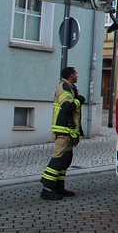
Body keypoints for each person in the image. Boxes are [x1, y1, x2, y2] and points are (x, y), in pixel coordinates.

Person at [39, 67, 86, 200]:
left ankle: (59, 188)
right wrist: (79, 100)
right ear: (71, 75)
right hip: (63, 131)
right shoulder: (65, 87)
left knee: (65, 160)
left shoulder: (70, 87)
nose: (77, 75)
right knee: (58, 159)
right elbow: (67, 108)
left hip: (68, 131)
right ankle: (47, 189)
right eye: (76, 73)